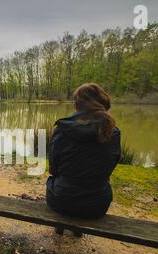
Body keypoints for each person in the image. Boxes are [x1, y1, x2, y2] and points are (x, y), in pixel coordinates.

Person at [46, 83, 121, 220]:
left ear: (76, 105)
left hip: (62, 201)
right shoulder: (113, 131)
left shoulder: (63, 129)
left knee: (53, 180)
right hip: (98, 205)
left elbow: (53, 169)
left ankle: (61, 226)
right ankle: (76, 229)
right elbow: (110, 166)